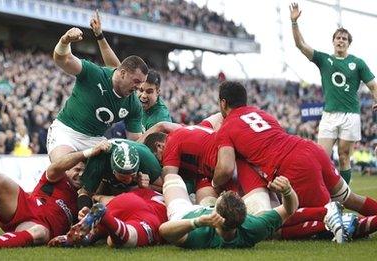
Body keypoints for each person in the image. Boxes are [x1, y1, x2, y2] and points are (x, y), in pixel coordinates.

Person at [212, 81, 377, 240]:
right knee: (350, 198)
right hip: (310, 150)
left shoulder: (226, 127)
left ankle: (335, 215)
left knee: (279, 225)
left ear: (223, 103)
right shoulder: (261, 113)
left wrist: (213, 183)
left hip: (294, 165)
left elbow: (225, 169)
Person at [0, 142, 111, 251]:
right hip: (23, 206)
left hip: (40, 227)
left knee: (39, 233)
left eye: (84, 171)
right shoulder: (57, 177)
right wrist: (88, 152)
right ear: (67, 169)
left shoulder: (84, 197)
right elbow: (56, 167)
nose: (79, 174)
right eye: (76, 169)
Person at [290, 3, 377, 184]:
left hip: (350, 115)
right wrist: (294, 22)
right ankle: (323, 194)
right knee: (321, 158)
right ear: (333, 41)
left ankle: (343, 197)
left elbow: (373, 85)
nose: (341, 40)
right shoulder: (324, 59)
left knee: (344, 157)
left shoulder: (358, 63)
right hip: (329, 115)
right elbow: (300, 44)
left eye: (344, 39)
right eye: (338, 38)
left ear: (348, 43)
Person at [48, 24, 148, 163]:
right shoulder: (94, 74)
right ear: (123, 74)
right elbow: (63, 60)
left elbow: (136, 142)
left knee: (117, 171)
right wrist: (65, 41)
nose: (139, 88)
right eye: (136, 81)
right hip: (66, 132)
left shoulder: (134, 105)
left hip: (95, 140)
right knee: (66, 170)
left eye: (141, 83)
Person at [159, 174, 298, 248]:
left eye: (221, 197)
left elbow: (164, 230)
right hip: (206, 209)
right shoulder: (253, 227)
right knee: (207, 199)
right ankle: (198, 197)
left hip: (185, 213)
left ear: (216, 214)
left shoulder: (199, 235)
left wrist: (196, 222)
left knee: (172, 177)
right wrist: (287, 191)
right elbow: (289, 209)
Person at [90, 10, 171, 133]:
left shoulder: (160, 119)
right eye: (141, 90)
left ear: (158, 92)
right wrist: (100, 36)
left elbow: (152, 150)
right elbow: (115, 67)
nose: (143, 96)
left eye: (149, 92)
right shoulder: (132, 90)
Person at [49, 188, 167, 248]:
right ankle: (103, 216)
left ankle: (84, 237)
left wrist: (98, 197)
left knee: (104, 232)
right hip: (150, 216)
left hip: (125, 200)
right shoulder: (175, 206)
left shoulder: (148, 191)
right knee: (128, 238)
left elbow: (118, 198)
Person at [77, 139, 162, 211]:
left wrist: (145, 188)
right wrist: (84, 211)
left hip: (142, 158)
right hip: (105, 179)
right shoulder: (99, 159)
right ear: (113, 171)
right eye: (123, 177)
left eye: (132, 175)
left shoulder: (149, 162)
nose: (128, 179)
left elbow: (165, 187)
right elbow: (85, 193)